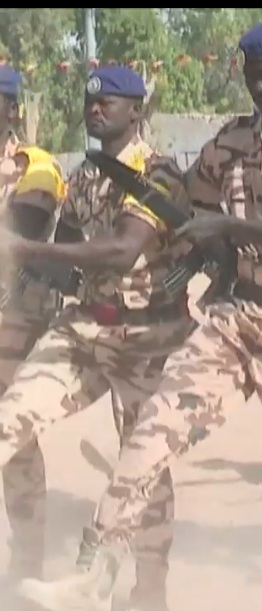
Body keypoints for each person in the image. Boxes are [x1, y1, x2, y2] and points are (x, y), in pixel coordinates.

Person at [18, 20, 262, 611]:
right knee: (152, 431)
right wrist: (200, 251)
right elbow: (187, 205)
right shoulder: (229, 144)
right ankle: (94, 571)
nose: (261, 90)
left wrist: (230, 229)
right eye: (252, 78)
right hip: (238, 319)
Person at [0, 65, 194, 611]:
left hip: (145, 338)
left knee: (144, 470)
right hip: (85, 327)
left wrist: (23, 250)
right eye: (90, 101)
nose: (95, 108)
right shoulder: (85, 175)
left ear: (137, 111)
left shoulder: (158, 172)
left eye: (108, 101)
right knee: (10, 417)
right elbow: (68, 255)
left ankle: (148, 593)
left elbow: (119, 250)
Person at [0, 66, 66, 610]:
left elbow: (24, 228)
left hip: (13, 323)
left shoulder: (35, 166)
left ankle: (25, 570)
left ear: (10, 109)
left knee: (15, 442)